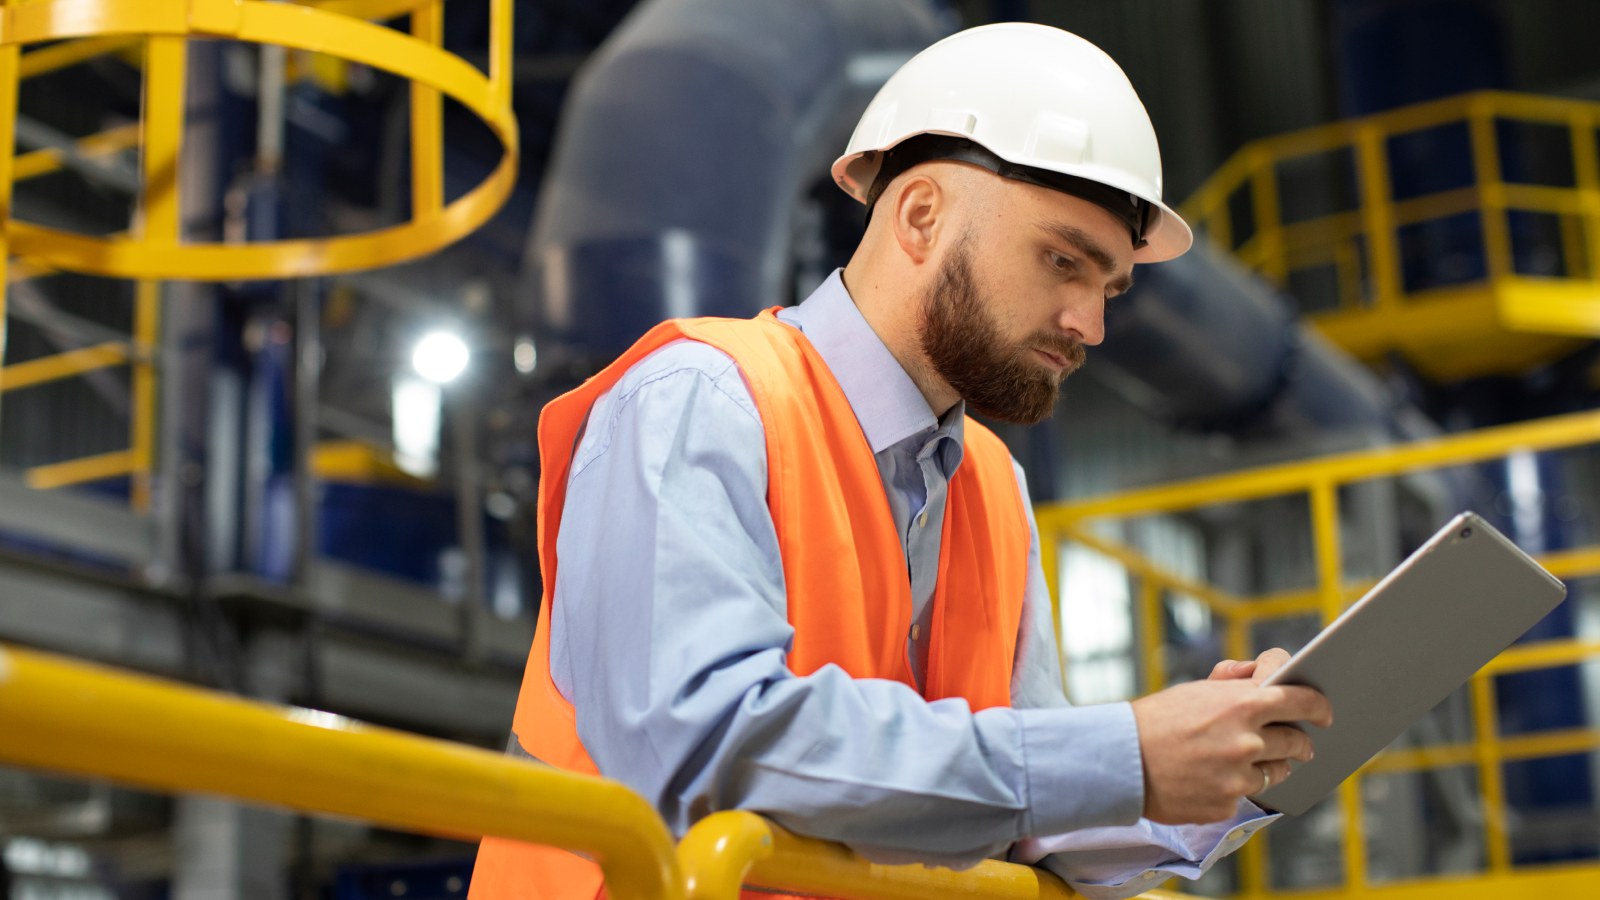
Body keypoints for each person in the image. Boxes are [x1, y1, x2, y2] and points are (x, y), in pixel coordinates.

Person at [471, 22, 1332, 900]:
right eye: (1062, 261)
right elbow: (706, 744)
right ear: (921, 217)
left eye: (1107, 287)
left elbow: (1031, 817)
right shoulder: (703, 397)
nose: (1090, 324)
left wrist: (1224, 768)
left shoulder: (993, 490)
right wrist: (1122, 753)